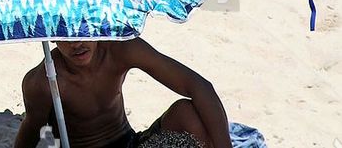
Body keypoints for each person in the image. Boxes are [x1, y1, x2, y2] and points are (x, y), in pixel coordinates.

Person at [13, 39, 230, 148]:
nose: (76, 42)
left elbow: (199, 86)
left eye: (83, 28)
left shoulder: (120, 49)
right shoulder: (41, 83)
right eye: (65, 33)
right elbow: (31, 131)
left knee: (186, 112)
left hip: (130, 143)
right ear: (51, 36)